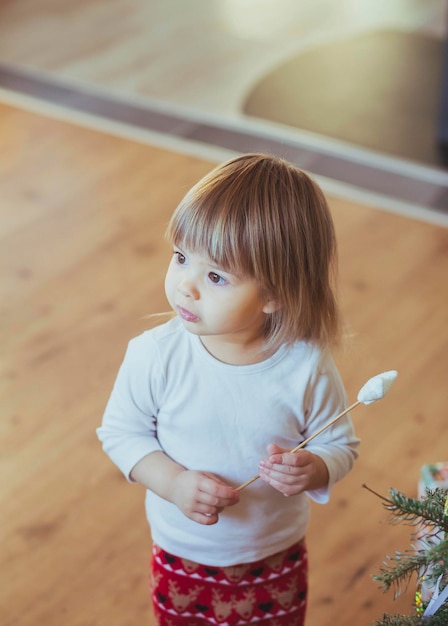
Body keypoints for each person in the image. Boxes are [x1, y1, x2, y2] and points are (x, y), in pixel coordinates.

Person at [97, 153, 360, 626]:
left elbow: (339, 443)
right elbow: (121, 433)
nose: (186, 286)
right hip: (183, 552)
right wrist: (173, 483)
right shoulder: (155, 355)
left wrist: (316, 468)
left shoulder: (305, 367)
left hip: (273, 556)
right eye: (181, 257)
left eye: (216, 276)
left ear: (275, 295)